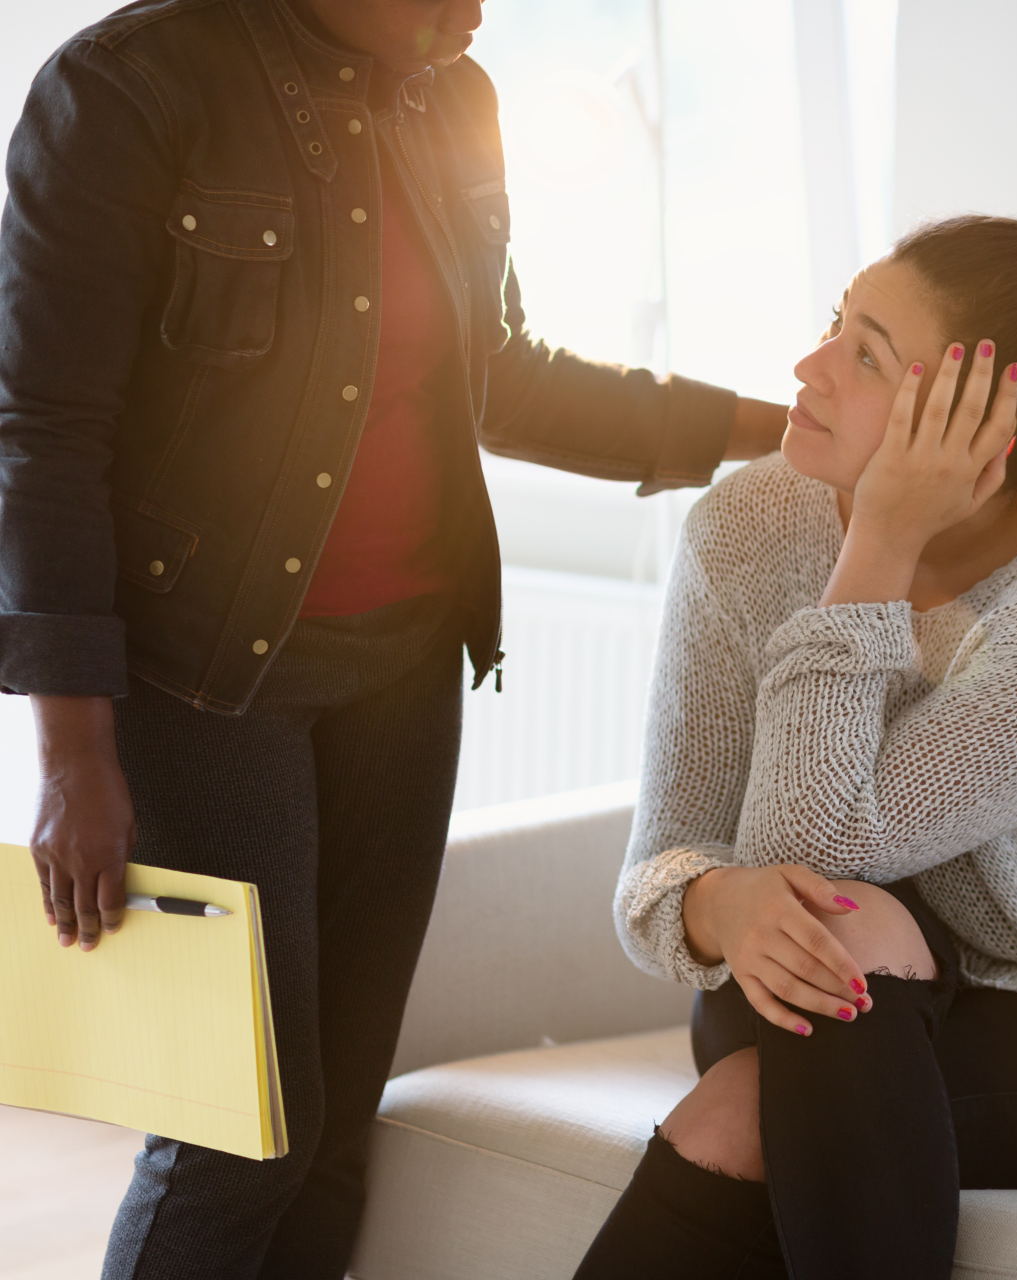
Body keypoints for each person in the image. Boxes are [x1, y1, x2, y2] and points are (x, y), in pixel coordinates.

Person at [0, 1, 785, 1276]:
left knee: (341, 1115)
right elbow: (39, 431)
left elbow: (503, 374)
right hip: (205, 679)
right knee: (241, 1129)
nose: (475, 10)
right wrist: (73, 751)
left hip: (407, 671)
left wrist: (777, 430)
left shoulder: (455, 94)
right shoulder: (126, 89)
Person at [576, 189, 1017, 1280]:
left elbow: (823, 838)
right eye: (835, 323)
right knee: (826, 941)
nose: (807, 369)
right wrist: (718, 901)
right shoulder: (747, 527)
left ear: (981, 425)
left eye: (867, 358)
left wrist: (880, 544)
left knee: (753, 1089)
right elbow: (668, 857)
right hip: (819, 971)